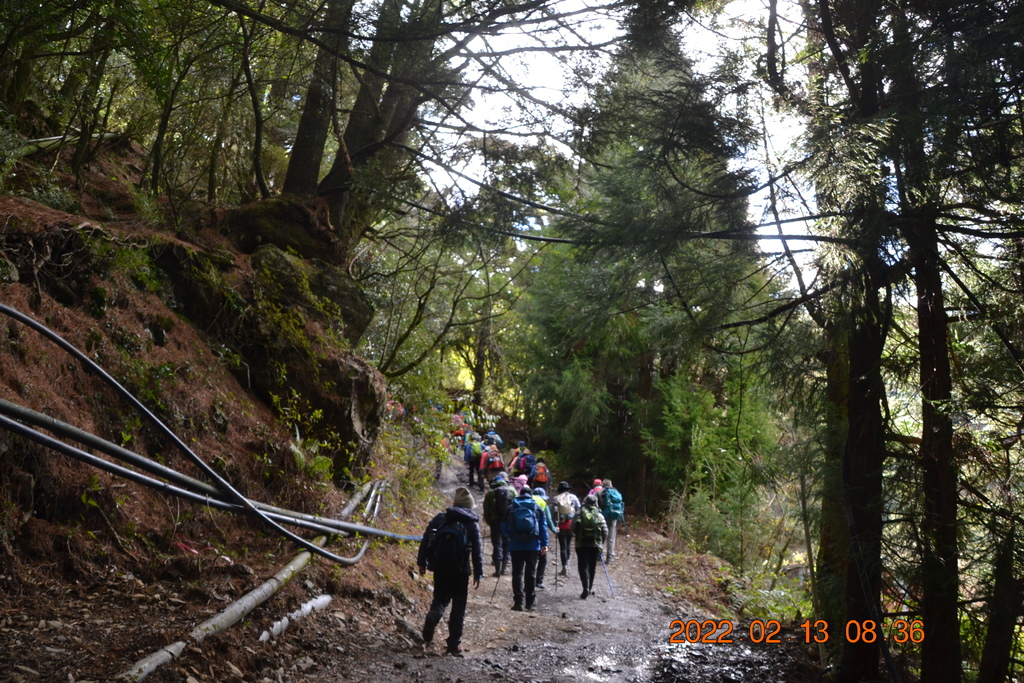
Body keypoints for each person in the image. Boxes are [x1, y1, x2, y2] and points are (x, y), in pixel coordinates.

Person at [417, 487, 484, 655]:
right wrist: (478, 572)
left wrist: (422, 562)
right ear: (469, 506)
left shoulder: (441, 519)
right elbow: (477, 550)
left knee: (439, 599)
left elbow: (426, 540)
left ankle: (434, 615)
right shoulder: (471, 523)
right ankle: (454, 644)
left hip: (440, 568)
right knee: (458, 607)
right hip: (461, 571)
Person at [501, 486, 549, 611]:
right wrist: (545, 544)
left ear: (520, 494)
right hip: (533, 545)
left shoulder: (511, 508)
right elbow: (543, 527)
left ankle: (518, 603)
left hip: (516, 545)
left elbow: (504, 527)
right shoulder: (537, 508)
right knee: (531, 573)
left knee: (517, 573)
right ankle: (530, 602)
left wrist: (511, 536)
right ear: (531, 495)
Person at [572, 494, 607, 599]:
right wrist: (601, 543)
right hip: (595, 545)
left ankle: (585, 588)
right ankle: (590, 588)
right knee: (592, 567)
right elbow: (605, 531)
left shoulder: (579, 513)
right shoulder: (599, 515)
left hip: (581, 544)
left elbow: (572, 528)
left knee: (582, 566)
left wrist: (577, 535)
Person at [483, 472, 516, 576]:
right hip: (508, 521)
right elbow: (517, 506)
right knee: (506, 543)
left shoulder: (490, 492)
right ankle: (504, 569)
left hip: (495, 521)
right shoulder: (512, 490)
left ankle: (497, 570)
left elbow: (486, 509)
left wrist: (489, 521)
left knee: (497, 544)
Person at [552, 481, 581, 576]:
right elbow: (579, 509)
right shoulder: (573, 497)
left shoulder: (556, 498)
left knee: (562, 547)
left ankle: (564, 566)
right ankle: (567, 564)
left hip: (560, 524)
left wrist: (554, 525)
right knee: (568, 544)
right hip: (570, 524)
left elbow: (553, 513)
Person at [532, 487, 557, 589]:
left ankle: (529, 581)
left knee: (530, 561)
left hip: (527, 536)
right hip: (539, 536)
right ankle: (538, 581)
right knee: (542, 559)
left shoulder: (527, 501)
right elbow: (548, 522)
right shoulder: (543, 504)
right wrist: (555, 531)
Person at [600, 479, 625, 562]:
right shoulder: (616, 492)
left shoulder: (602, 492)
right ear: (611, 484)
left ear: (603, 485)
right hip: (614, 516)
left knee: (602, 534)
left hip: (604, 515)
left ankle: (599, 554)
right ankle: (609, 556)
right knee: (611, 536)